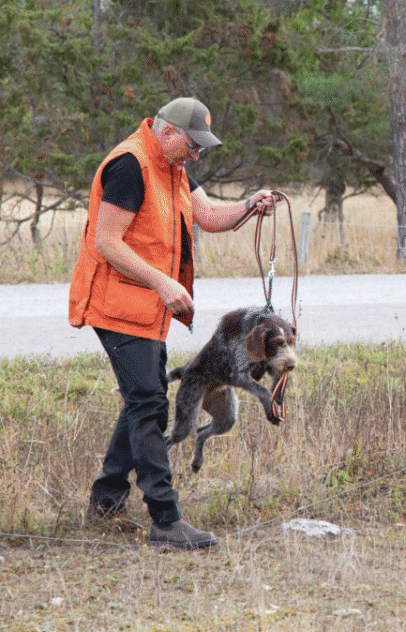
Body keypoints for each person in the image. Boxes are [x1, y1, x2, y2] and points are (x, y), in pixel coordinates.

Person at [69, 96, 278, 550]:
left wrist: (249, 206)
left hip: (148, 307)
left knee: (141, 400)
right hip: (117, 305)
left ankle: (105, 504)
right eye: (193, 145)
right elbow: (107, 241)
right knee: (148, 403)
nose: (197, 154)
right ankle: (165, 521)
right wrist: (163, 283)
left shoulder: (174, 168)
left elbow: (209, 217)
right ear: (167, 134)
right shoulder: (129, 166)